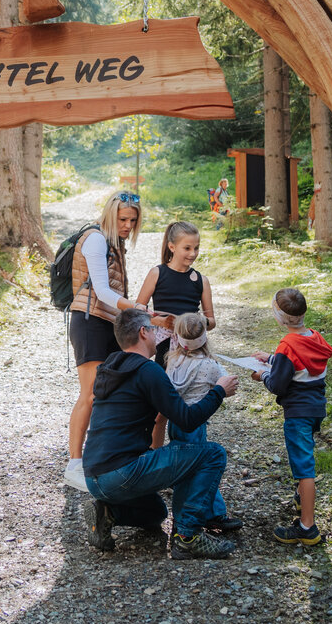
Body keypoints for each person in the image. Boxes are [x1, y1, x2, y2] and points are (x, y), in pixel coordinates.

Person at [82, 306, 238, 560]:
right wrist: (219, 391)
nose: (158, 334)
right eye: (154, 329)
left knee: (157, 513)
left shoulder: (110, 365)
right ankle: (188, 537)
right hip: (122, 472)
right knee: (213, 455)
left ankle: (107, 512)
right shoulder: (148, 370)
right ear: (143, 332)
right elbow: (187, 420)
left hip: (94, 475)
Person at [63, 191, 144, 492]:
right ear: (111, 215)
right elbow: (104, 292)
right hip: (89, 323)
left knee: (108, 393)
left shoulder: (115, 244)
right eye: (123, 219)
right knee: (91, 394)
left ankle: (99, 457)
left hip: (106, 323)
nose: (127, 225)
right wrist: (139, 309)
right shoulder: (96, 240)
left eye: (133, 221)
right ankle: (74, 462)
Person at [250, 286, 332, 546]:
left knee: (304, 468)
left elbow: (277, 385)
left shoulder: (288, 345)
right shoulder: (314, 337)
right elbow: (302, 364)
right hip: (315, 407)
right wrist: (273, 359)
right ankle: (302, 499)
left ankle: (307, 527)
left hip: (297, 413)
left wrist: (262, 373)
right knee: (305, 460)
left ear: (279, 315)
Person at [159, 312, 241, 536]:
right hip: (195, 425)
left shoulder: (173, 359)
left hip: (176, 423)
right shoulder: (209, 365)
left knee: (197, 467)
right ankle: (183, 519)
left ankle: (215, 513)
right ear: (204, 337)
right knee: (192, 472)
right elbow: (229, 384)